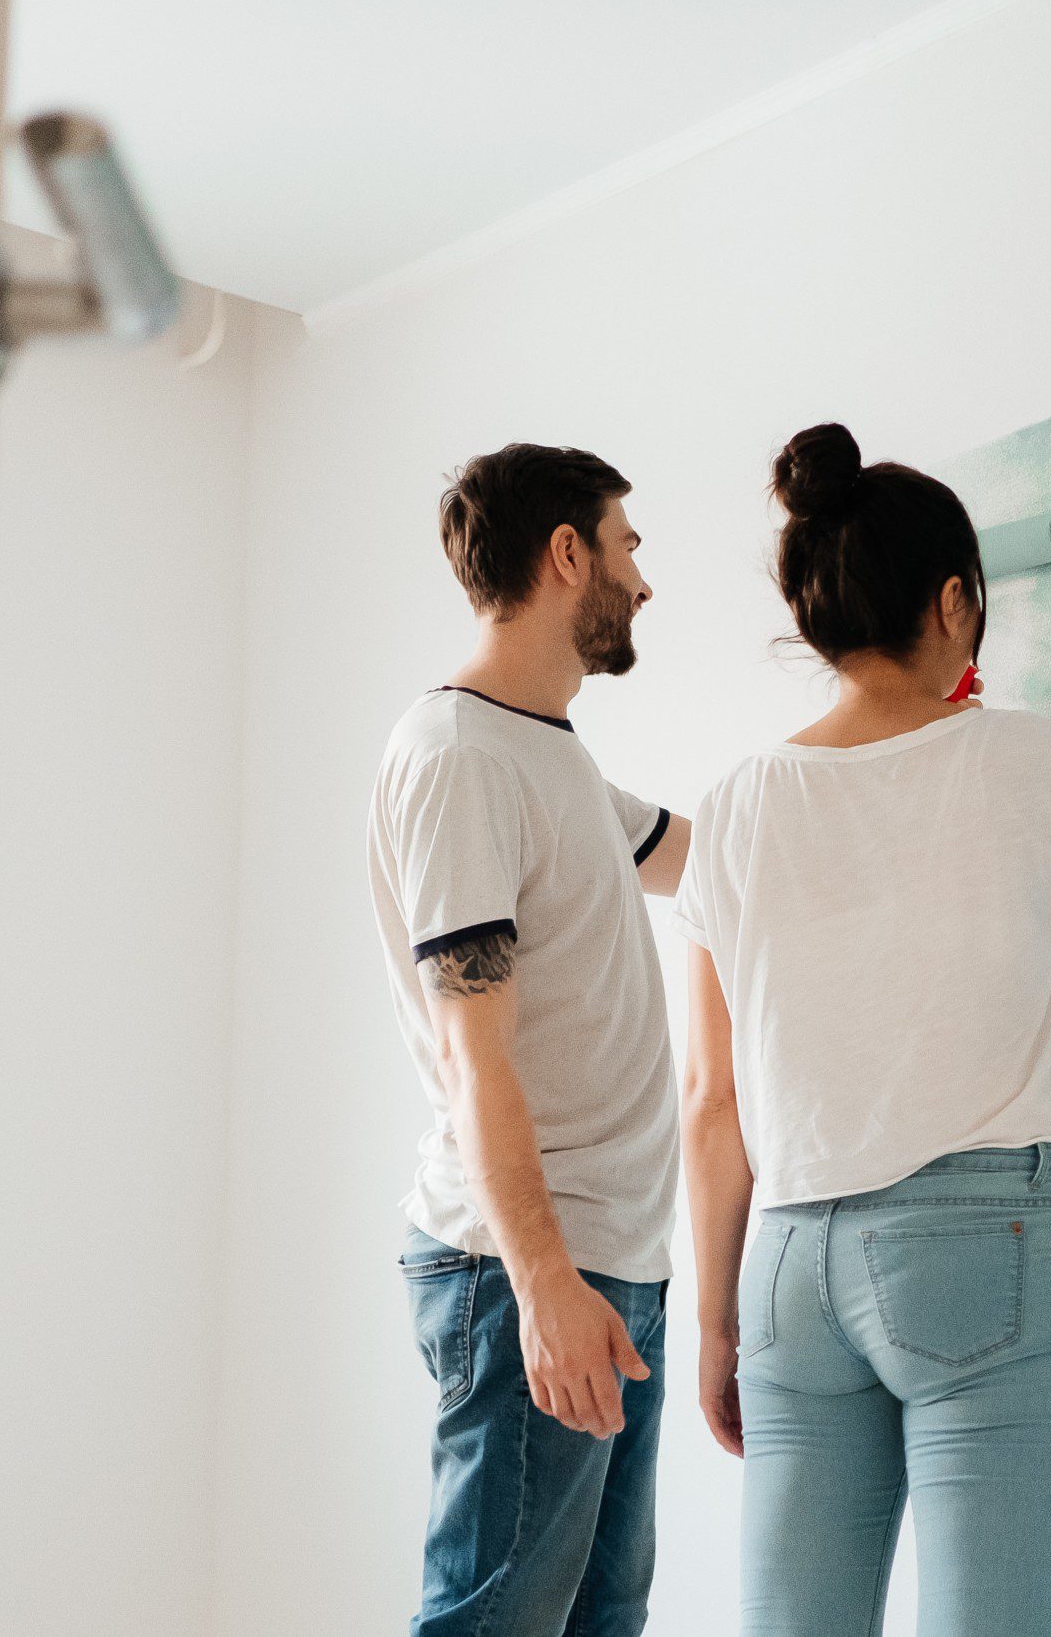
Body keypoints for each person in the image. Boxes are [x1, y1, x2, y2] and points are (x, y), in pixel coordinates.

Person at [674, 423, 1051, 1637]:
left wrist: (716, 1323)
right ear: (955, 601)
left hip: (786, 1269)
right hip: (981, 1247)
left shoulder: (736, 805)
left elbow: (711, 1103)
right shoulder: (1025, 757)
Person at [366, 443, 690, 1637]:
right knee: (492, 1624)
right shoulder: (459, 760)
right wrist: (546, 1285)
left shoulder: (547, 754)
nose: (641, 582)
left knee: (597, 1622)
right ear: (568, 555)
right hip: (524, 1269)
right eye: (628, 546)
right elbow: (475, 1055)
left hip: (610, 1258)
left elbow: (702, 862)